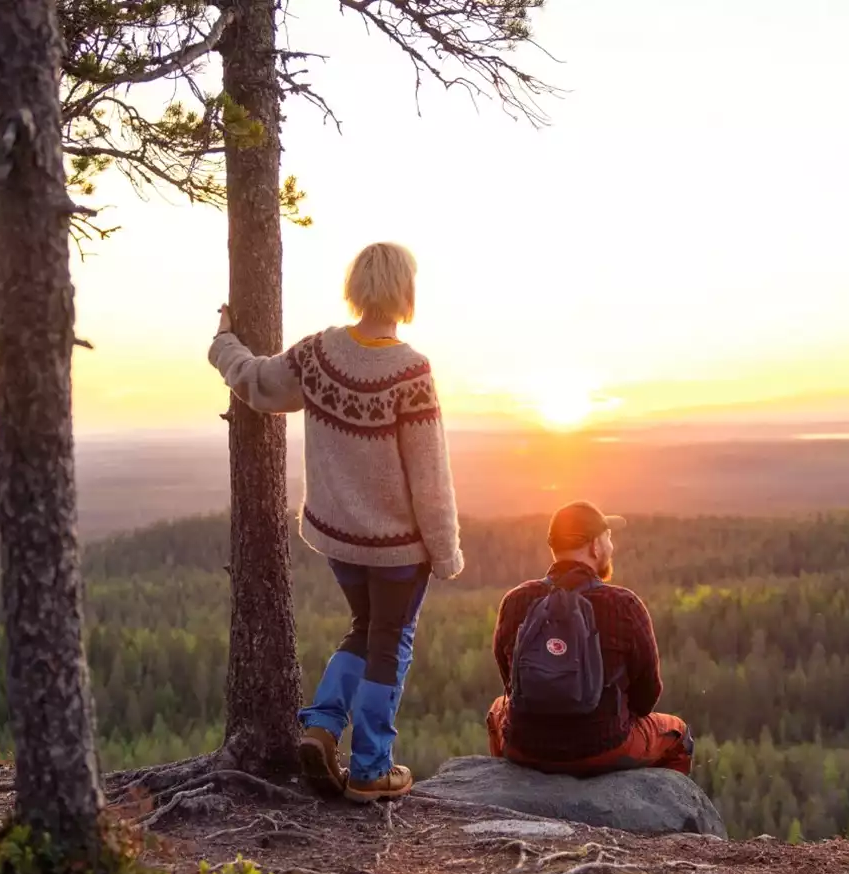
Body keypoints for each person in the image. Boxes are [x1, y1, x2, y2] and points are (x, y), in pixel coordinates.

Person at [209, 241, 463, 803]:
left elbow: (253, 381)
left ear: (358, 288)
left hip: (339, 542)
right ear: (406, 292)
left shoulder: (319, 355)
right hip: (398, 549)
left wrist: (223, 341)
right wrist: (445, 553)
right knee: (389, 644)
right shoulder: (412, 372)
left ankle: (321, 729)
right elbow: (430, 476)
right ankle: (371, 768)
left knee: (363, 629)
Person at [486, 501, 694, 776]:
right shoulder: (624, 605)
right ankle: (665, 814)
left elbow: (511, 687)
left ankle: (512, 787)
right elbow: (646, 699)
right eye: (608, 537)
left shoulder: (516, 601)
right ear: (595, 547)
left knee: (497, 710)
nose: (611, 545)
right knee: (679, 735)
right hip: (603, 747)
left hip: (524, 746)